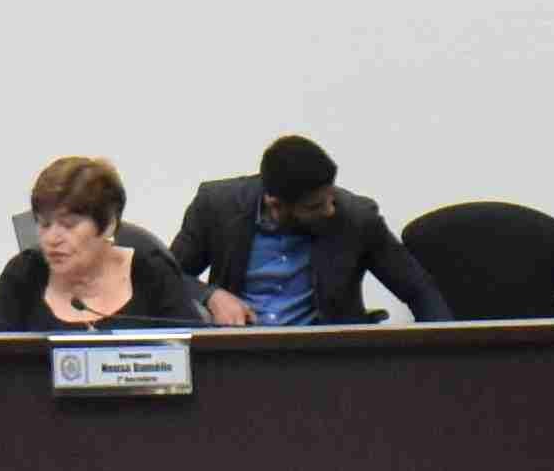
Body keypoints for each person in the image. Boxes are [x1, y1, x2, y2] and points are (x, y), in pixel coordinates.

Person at [171, 134, 444, 327]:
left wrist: (443, 361)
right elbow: (169, 276)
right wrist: (211, 296)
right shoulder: (217, 206)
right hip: (237, 354)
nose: (330, 210)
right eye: (315, 206)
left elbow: (419, 289)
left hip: (323, 359)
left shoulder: (357, 218)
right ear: (276, 205)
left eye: (331, 197)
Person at [0, 155, 201, 331]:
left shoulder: (151, 272)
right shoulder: (24, 274)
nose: (52, 238)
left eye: (69, 225)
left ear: (108, 224)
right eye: (44, 224)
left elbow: (196, 358)